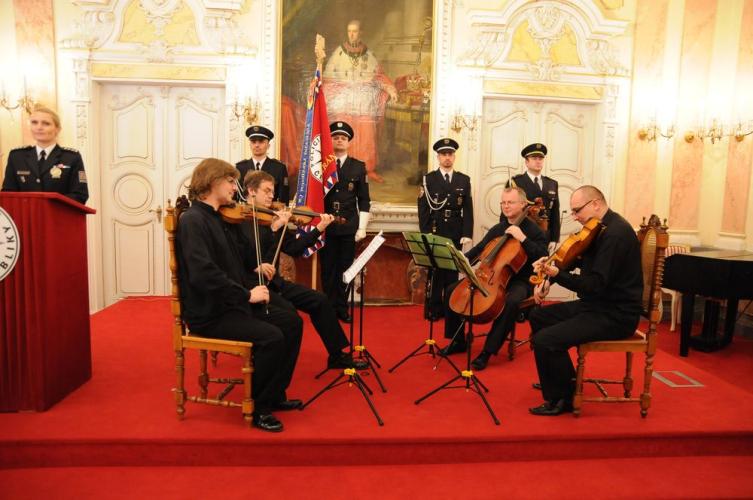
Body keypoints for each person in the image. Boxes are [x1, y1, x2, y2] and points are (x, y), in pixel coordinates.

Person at [176, 158, 303, 432]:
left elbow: (241, 257)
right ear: (213, 182)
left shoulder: (221, 216)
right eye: (231, 181)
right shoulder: (194, 220)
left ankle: (274, 394)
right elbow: (204, 274)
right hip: (211, 312)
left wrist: (256, 262)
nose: (236, 187)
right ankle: (259, 408)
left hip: (230, 303)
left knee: (292, 322)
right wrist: (247, 295)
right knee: (272, 337)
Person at [528, 185, 643, 416]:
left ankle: (562, 399)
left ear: (596, 204)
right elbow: (584, 262)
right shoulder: (599, 229)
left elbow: (593, 286)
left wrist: (556, 274)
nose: (575, 217)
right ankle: (563, 382)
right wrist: (551, 271)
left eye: (577, 210)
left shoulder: (615, 235)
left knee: (544, 340)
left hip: (615, 315)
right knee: (538, 316)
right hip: (599, 305)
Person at [242, 170, 367, 370]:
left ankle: (337, 355)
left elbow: (294, 249)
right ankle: (269, 362)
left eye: (272, 192)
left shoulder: (271, 218)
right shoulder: (241, 221)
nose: (271, 196)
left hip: (276, 283)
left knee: (320, 300)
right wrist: (275, 230)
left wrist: (319, 229)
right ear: (251, 191)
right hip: (254, 287)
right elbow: (257, 260)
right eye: (266, 191)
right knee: (290, 315)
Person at [441, 187, 547, 369]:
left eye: (510, 202)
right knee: (452, 290)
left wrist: (523, 239)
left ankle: (487, 351)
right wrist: (463, 258)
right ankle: (458, 341)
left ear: (523, 204)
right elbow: (481, 248)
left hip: (520, 280)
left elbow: (543, 256)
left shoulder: (534, 231)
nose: (506, 206)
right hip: (491, 276)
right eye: (503, 203)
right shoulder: (498, 228)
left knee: (511, 302)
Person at [323, 19, 398, 182]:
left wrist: (389, 88)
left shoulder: (368, 54)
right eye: (349, 31)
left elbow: (378, 76)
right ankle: (339, 167)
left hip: (363, 101)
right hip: (343, 100)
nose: (351, 34)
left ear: (360, 33)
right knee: (342, 131)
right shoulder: (339, 52)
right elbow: (327, 77)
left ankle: (366, 169)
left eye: (355, 31)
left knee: (366, 132)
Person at [417, 138, 473, 320]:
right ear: (438, 157)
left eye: (450, 154)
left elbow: (467, 208)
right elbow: (423, 209)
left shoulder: (464, 180)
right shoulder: (428, 180)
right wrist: (425, 234)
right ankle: (434, 308)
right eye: (443, 154)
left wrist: (467, 233)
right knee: (436, 272)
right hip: (435, 230)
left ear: (454, 156)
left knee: (452, 272)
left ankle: (451, 307)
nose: (447, 157)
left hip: (455, 231)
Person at [321, 121, 371, 323]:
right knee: (327, 270)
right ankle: (328, 308)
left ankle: (342, 308)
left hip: (349, 227)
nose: (339, 140)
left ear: (348, 142)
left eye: (343, 137)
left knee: (345, 269)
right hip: (326, 226)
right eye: (335, 137)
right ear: (330, 140)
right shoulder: (322, 165)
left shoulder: (358, 167)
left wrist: (362, 227)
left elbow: (364, 199)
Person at [2, 104, 89, 204]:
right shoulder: (17, 157)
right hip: (25, 217)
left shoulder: (71, 158)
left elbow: (80, 195)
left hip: (57, 217)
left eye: (46, 123)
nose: (39, 127)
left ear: (57, 129)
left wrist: (47, 205)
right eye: (34, 122)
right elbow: (8, 195)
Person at [506, 143, 560, 252]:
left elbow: (555, 213)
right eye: (534, 158)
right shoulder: (515, 182)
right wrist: (506, 235)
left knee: (541, 267)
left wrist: (554, 239)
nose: (538, 161)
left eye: (541, 158)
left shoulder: (552, 183)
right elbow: (506, 211)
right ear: (526, 162)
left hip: (545, 236)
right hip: (522, 234)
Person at [236, 125, 290, 204]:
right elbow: (235, 197)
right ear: (250, 145)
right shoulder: (240, 167)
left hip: (270, 213)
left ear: (268, 145)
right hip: (244, 213)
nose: (257, 145)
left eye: (261, 142)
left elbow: (283, 198)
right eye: (253, 142)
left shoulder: (279, 168)